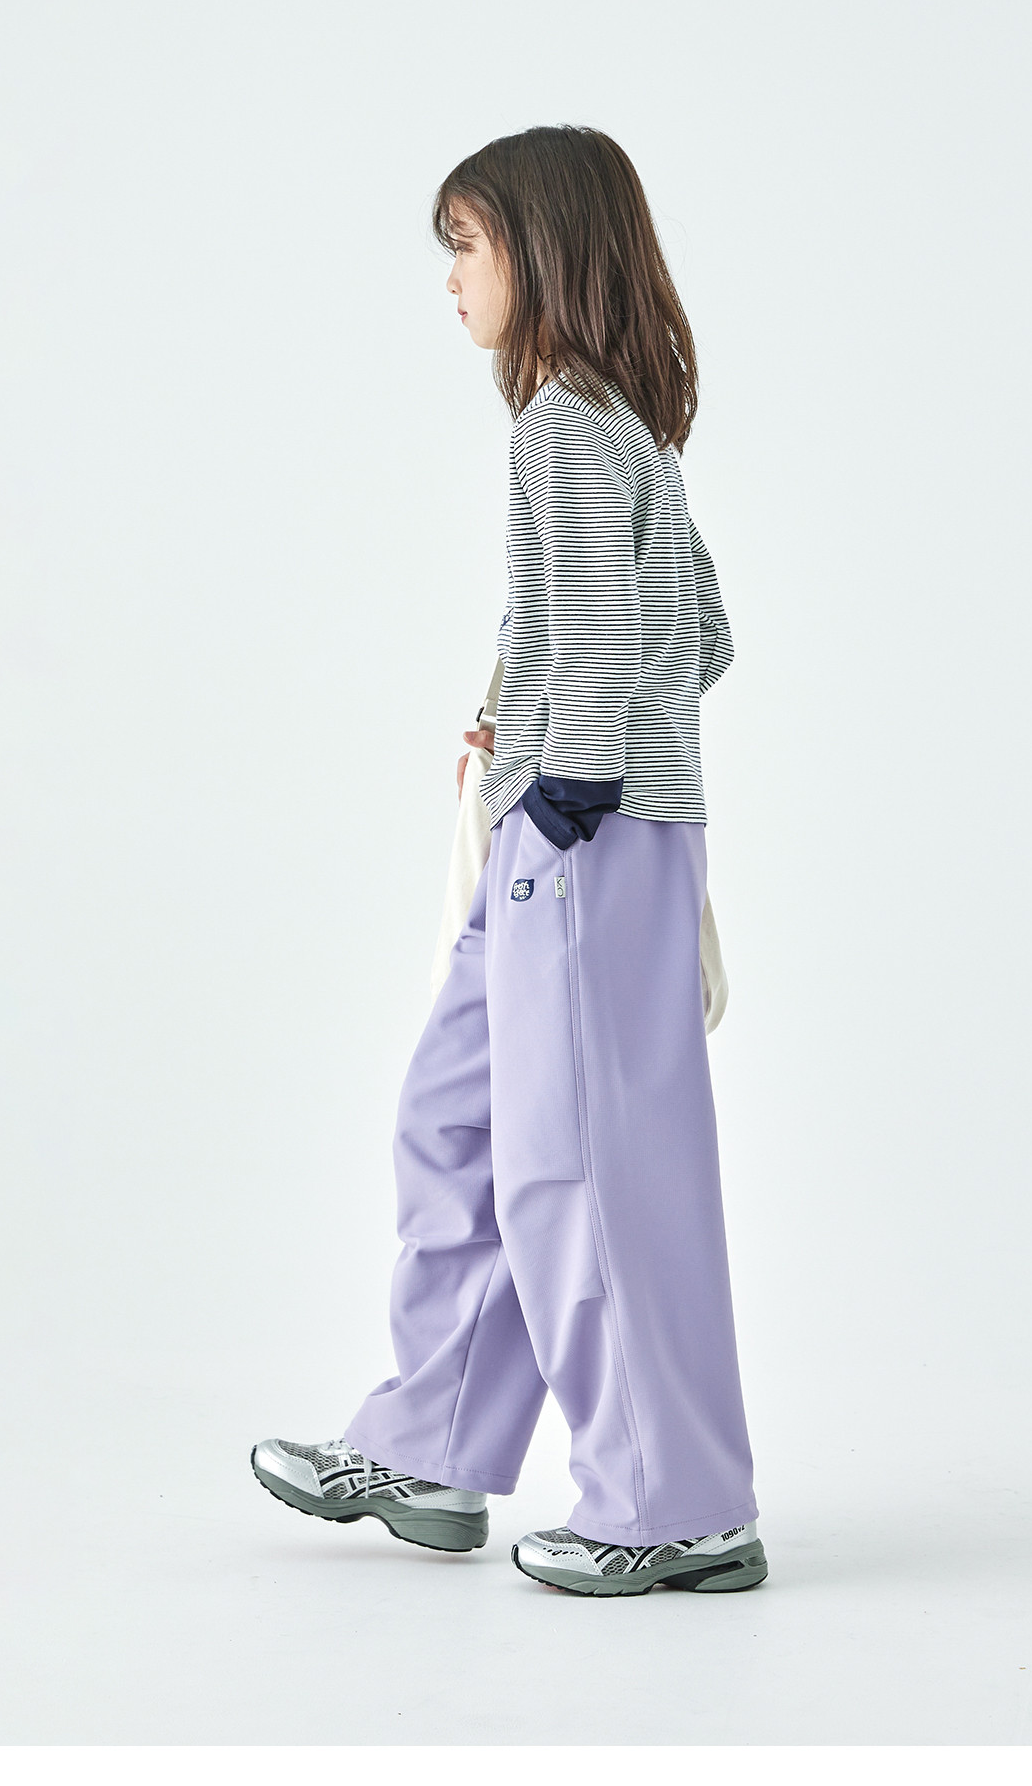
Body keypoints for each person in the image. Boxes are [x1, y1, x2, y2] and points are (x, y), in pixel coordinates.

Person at [251, 125, 764, 1598]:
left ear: (542, 251)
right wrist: (521, 716)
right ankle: (429, 1446)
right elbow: (697, 632)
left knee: (581, 1166)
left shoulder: (566, 427)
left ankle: (674, 1507)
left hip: (583, 837)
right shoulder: (616, 425)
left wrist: (572, 771)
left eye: (466, 246)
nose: (452, 278)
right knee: (459, 1123)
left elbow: (621, 642)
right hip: (568, 828)